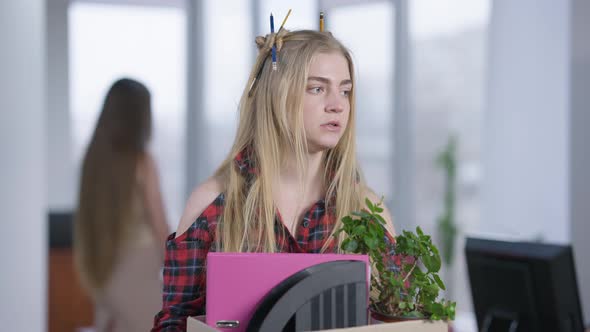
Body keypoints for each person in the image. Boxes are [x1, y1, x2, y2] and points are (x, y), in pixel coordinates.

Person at [152, 28, 396, 331]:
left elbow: (401, 319)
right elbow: (174, 324)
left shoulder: (368, 209)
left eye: (345, 90)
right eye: (317, 89)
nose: (338, 104)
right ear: (277, 97)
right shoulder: (212, 204)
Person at [74, 78, 170, 332]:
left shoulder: (93, 161)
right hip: (138, 273)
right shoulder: (142, 162)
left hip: (103, 271)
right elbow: (161, 227)